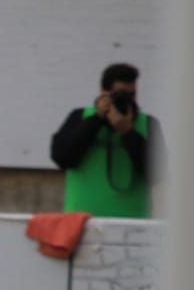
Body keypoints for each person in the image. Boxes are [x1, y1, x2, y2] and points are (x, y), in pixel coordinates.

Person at [50, 62, 163, 218]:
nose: (127, 101)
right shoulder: (81, 117)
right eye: (121, 94)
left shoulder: (147, 124)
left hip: (132, 222)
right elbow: (61, 157)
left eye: (131, 95)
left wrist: (128, 133)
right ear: (104, 93)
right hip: (81, 222)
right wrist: (96, 120)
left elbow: (158, 172)